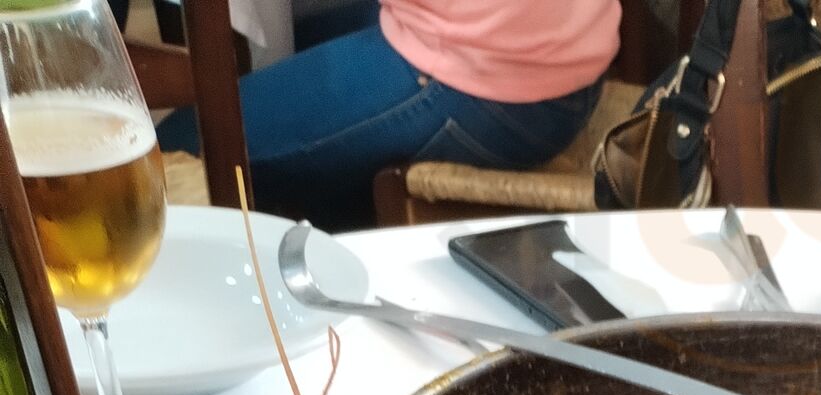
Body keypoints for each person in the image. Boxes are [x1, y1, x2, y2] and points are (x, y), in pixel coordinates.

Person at [155, 0, 620, 233]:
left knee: (181, 138)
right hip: (573, 49)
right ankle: (336, 225)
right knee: (290, 46)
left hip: (489, 80)